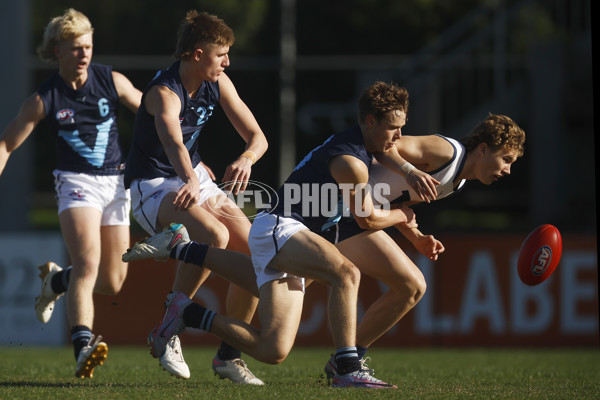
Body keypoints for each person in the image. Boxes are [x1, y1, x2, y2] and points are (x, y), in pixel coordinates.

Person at [124, 81, 431, 389]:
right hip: (282, 227)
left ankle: (187, 307)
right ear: (370, 122)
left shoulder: (367, 144)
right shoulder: (351, 162)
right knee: (346, 273)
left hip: (286, 234)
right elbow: (366, 219)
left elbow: (387, 150)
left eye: (401, 128)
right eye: (394, 128)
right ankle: (347, 367)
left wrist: (408, 170)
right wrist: (403, 215)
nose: (399, 137)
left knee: (273, 350)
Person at [320, 113, 526, 378]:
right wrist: (409, 169)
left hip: (353, 215)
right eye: (506, 159)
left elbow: (391, 201)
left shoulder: (458, 181)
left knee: (410, 286)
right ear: (483, 149)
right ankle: (345, 363)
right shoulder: (447, 152)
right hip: (335, 208)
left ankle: (346, 361)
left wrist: (416, 237)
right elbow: (382, 146)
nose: (508, 169)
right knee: (276, 311)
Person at [123, 10, 268, 384]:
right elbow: (173, 142)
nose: (227, 61)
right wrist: (189, 176)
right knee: (215, 237)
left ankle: (227, 356)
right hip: (153, 185)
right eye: (222, 54)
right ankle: (171, 321)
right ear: (198, 53)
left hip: (194, 176)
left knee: (253, 252)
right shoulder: (163, 93)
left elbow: (258, 137)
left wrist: (246, 158)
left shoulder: (217, 83)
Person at [0, 9, 142, 378]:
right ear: (57, 50)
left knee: (112, 281)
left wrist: (185, 152)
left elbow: (155, 112)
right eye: (76, 47)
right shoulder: (45, 97)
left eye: (88, 47)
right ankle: (83, 348)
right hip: (76, 183)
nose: (84, 54)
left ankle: (55, 282)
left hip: (115, 183)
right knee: (88, 262)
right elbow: (7, 143)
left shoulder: (111, 80)